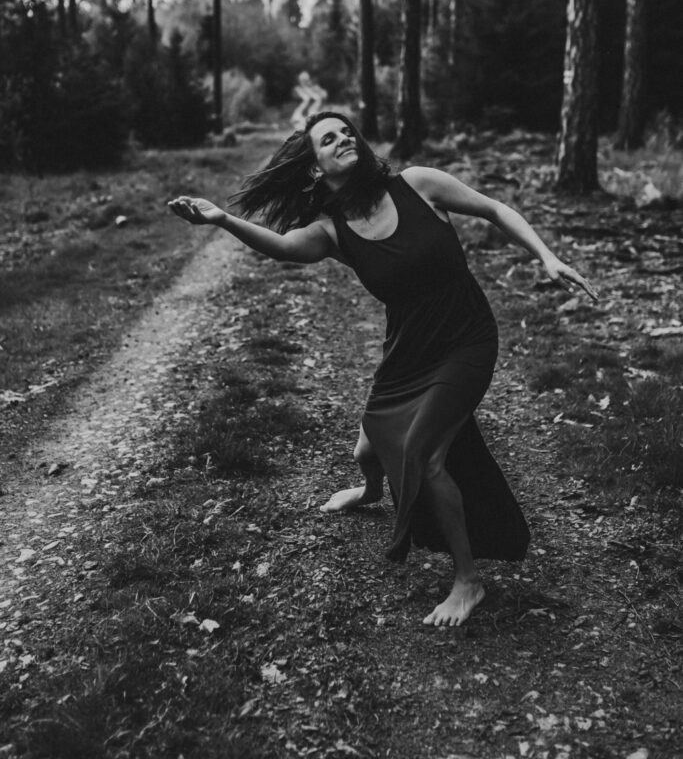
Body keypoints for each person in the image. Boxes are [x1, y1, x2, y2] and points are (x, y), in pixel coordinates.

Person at [168, 112, 597, 628]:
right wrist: (221, 219)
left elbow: (494, 209)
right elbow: (282, 248)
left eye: (346, 131)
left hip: (466, 339)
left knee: (424, 454)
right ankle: (372, 491)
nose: (344, 138)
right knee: (368, 449)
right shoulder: (332, 231)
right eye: (329, 138)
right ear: (315, 168)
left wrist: (545, 256)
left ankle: (468, 581)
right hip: (408, 351)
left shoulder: (418, 184)